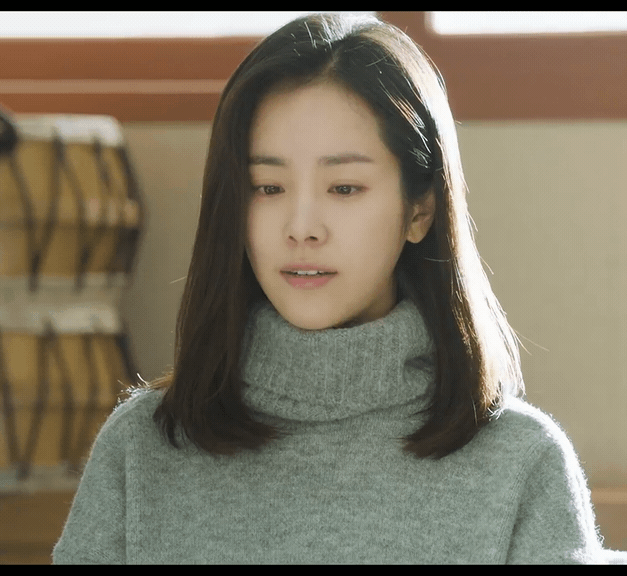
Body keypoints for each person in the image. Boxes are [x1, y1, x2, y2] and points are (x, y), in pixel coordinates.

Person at [53, 13, 616, 564]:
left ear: (419, 210)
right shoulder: (140, 448)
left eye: (344, 188)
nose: (301, 227)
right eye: (267, 187)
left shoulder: (520, 462)